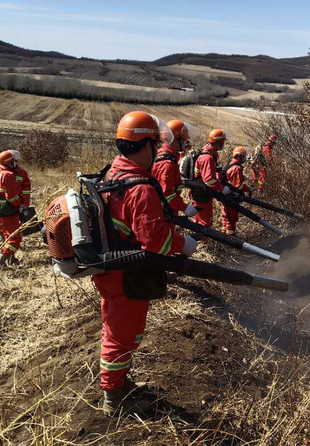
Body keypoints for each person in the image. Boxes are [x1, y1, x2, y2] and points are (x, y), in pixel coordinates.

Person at [94, 111, 198, 416]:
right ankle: (114, 397)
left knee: (118, 331)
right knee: (122, 336)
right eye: (155, 143)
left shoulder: (114, 172)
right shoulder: (139, 188)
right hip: (126, 275)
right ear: (146, 145)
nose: (158, 150)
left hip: (114, 269)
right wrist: (183, 245)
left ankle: (119, 384)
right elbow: (155, 241)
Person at [151, 120, 198, 218]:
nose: (187, 143)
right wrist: (184, 207)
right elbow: (166, 195)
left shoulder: (171, 157)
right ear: (176, 139)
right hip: (162, 213)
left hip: (167, 210)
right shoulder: (166, 164)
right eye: (184, 140)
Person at [0, 150, 25, 268]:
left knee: (6, 233)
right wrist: (19, 206)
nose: (16, 163)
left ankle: (11, 259)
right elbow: (12, 196)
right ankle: (0, 261)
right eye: (15, 161)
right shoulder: (8, 175)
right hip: (9, 207)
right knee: (15, 237)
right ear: (10, 162)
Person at [192, 129, 231, 227]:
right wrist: (222, 188)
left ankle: (199, 240)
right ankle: (202, 241)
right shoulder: (207, 158)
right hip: (202, 194)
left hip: (201, 192)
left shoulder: (209, 154)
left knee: (199, 221)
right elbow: (209, 180)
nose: (223, 144)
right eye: (222, 142)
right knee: (205, 223)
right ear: (218, 142)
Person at [221, 147, 253, 235]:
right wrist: (249, 189)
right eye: (243, 156)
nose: (244, 158)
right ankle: (230, 237)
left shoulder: (230, 165)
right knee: (232, 218)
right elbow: (238, 186)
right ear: (239, 156)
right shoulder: (237, 168)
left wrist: (242, 178)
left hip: (227, 196)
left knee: (226, 217)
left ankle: (224, 235)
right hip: (232, 197)